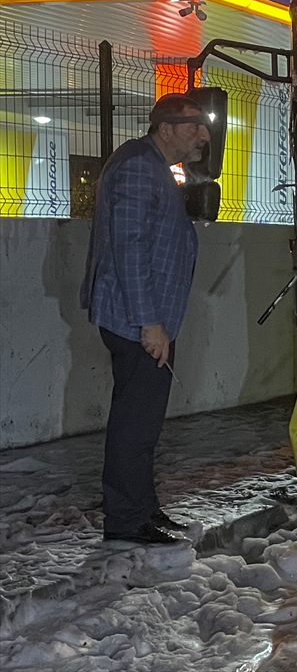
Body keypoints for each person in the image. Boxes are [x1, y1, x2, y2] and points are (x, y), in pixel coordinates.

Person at [80, 93, 210, 545]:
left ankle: (143, 509)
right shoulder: (138, 166)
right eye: (194, 125)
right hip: (136, 319)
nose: (204, 135)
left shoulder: (149, 163)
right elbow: (129, 249)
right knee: (135, 423)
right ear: (166, 127)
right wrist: (150, 323)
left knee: (144, 422)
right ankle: (126, 520)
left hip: (144, 317)